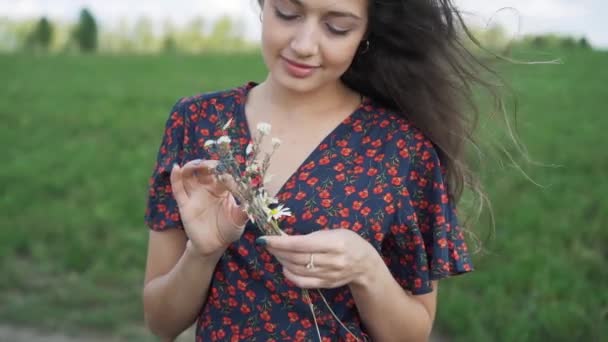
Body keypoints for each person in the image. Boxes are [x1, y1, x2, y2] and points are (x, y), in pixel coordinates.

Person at [143, 0, 484, 340]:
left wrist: (366, 269)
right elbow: (161, 322)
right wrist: (202, 253)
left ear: (366, 33)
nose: (303, 45)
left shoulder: (402, 147)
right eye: (288, 14)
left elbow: (412, 334)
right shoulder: (199, 121)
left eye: (337, 28)